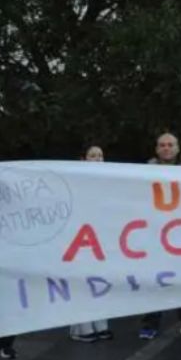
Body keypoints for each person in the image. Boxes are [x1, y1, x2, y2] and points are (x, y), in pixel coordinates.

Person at [141, 134, 181, 340]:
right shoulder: (143, 173)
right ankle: (150, 323)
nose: (166, 148)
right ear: (156, 149)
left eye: (170, 145)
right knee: (154, 279)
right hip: (155, 232)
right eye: (162, 145)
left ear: (178, 148)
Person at [69, 145, 113, 343]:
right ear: (84, 159)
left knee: (100, 280)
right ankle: (81, 327)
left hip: (100, 237)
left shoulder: (109, 180)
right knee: (82, 281)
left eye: (100, 156)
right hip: (81, 237)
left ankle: (101, 323)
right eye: (93, 155)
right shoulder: (75, 179)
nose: (97, 159)